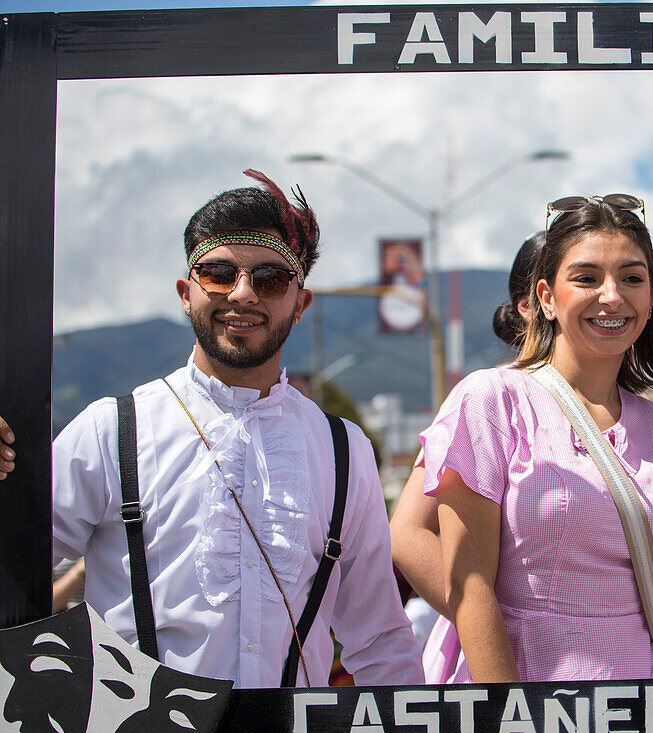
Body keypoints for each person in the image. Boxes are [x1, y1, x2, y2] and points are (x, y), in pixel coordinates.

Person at [36, 171, 422, 687]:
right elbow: (15, 564)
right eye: (218, 273)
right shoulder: (112, 432)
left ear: (300, 303)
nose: (243, 295)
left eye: (270, 279)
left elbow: (379, 640)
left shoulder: (342, 450)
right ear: (185, 293)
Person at [420, 195, 653, 682]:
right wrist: (511, 716)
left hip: (641, 708)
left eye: (632, 278)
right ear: (547, 298)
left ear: (651, 296)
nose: (612, 296)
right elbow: (471, 591)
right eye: (587, 278)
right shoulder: (492, 400)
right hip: (532, 703)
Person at [390, 231, 546, 622]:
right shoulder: (489, 399)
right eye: (583, 278)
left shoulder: (636, 413)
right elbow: (406, 533)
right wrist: (485, 622)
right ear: (532, 303)